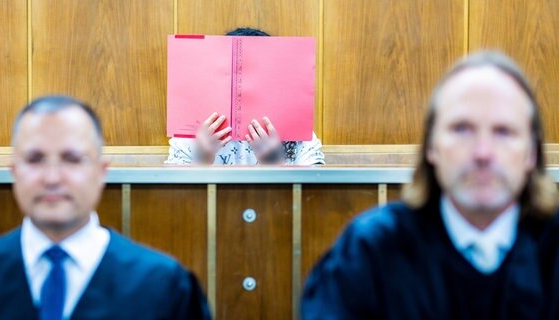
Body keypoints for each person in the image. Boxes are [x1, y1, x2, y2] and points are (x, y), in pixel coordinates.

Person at [301, 51, 559, 319]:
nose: (483, 152)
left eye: (504, 132)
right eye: (462, 129)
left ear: (531, 152)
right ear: (431, 146)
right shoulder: (369, 250)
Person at [0, 96, 211, 319]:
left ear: (101, 171)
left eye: (72, 159)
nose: (52, 177)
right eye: (35, 159)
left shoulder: (163, 285)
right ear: (14, 171)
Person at [165, 27, 325, 165]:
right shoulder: (189, 133)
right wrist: (200, 160)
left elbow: (313, 197)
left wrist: (277, 166)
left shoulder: (301, 137)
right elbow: (172, 197)